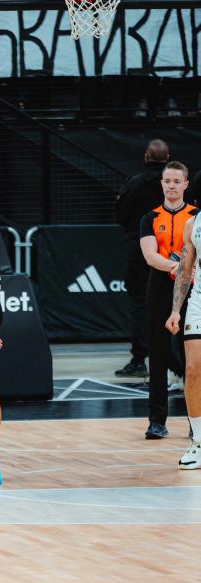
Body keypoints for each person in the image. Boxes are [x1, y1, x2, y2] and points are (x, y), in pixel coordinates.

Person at [140, 162, 198, 439]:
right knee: (158, 354)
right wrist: (176, 267)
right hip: (160, 287)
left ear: (186, 184)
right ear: (161, 184)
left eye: (177, 181)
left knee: (192, 357)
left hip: (192, 288)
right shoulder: (149, 217)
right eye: (167, 181)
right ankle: (157, 420)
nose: (172, 186)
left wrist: (187, 269)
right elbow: (150, 256)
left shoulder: (196, 216)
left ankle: (194, 421)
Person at [115, 139, 170, 378]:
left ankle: (139, 360)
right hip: (169, 249)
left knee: (140, 302)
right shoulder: (172, 184)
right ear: (167, 158)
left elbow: (121, 215)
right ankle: (174, 361)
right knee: (172, 302)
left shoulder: (135, 183)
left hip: (139, 250)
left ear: (146, 157)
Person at [166, 208, 201, 467]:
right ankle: (198, 442)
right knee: (192, 369)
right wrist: (176, 310)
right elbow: (185, 269)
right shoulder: (193, 223)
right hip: (199, 302)